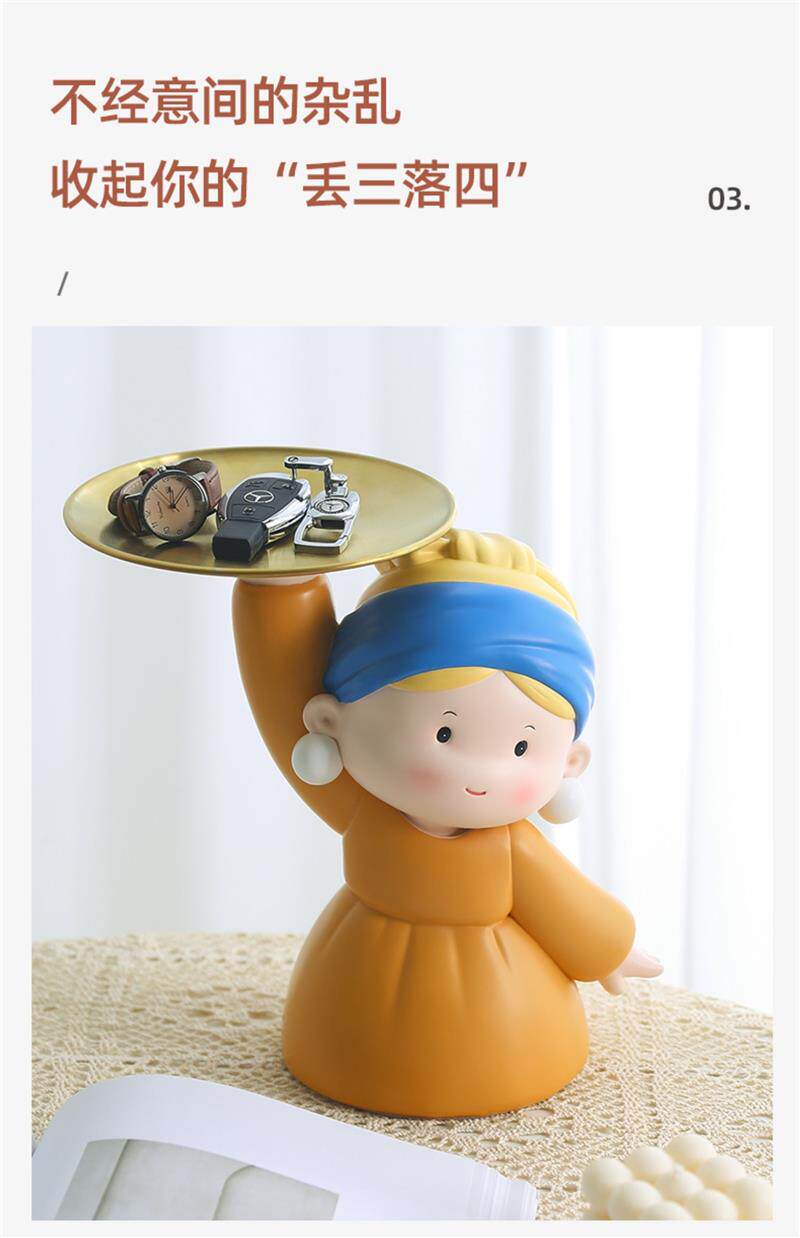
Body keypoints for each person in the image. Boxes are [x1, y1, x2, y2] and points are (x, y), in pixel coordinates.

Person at [233, 529, 661, 1117]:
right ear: (332, 722)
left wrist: (610, 947)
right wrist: (281, 591)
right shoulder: (363, 810)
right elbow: (284, 692)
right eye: (444, 733)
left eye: (521, 748)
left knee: (510, 1058)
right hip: (350, 1013)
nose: (480, 773)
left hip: (511, 1031)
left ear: (569, 762)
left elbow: (565, 903)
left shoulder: (511, 849)